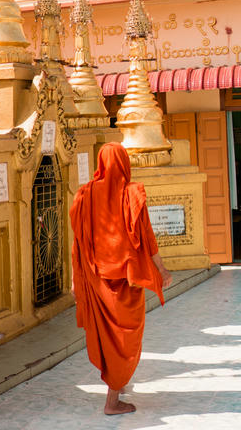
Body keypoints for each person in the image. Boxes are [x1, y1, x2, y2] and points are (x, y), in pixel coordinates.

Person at [70, 142, 172, 415]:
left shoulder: (84, 195)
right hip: (125, 281)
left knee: (107, 337)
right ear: (124, 163)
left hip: (97, 281)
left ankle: (117, 386)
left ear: (100, 163)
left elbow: (77, 243)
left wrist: (74, 279)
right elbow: (148, 240)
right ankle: (112, 401)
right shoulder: (131, 194)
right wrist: (161, 270)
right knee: (123, 340)